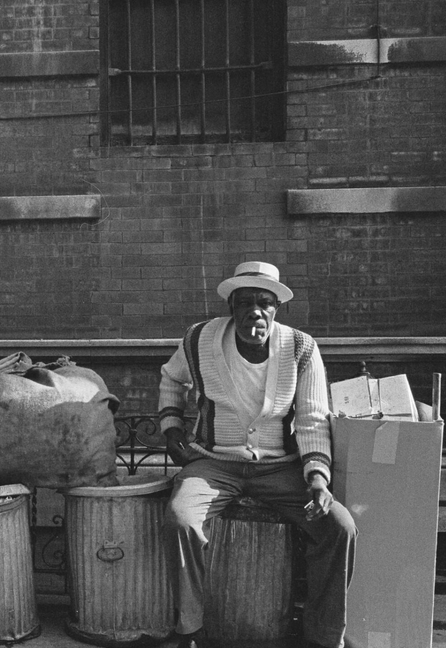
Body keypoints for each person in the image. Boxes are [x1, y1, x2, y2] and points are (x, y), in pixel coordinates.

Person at [158, 261, 357, 648]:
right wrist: (172, 428)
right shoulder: (199, 339)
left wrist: (317, 479)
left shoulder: (301, 348)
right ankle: (190, 630)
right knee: (181, 519)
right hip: (214, 462)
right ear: (231, 307)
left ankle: (322, 636)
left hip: (280, 468)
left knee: (339, 527)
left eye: (265, 303)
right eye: (245, 302)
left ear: (276, 309)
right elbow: (172, 378)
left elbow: (313, 418)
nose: (256, 311)